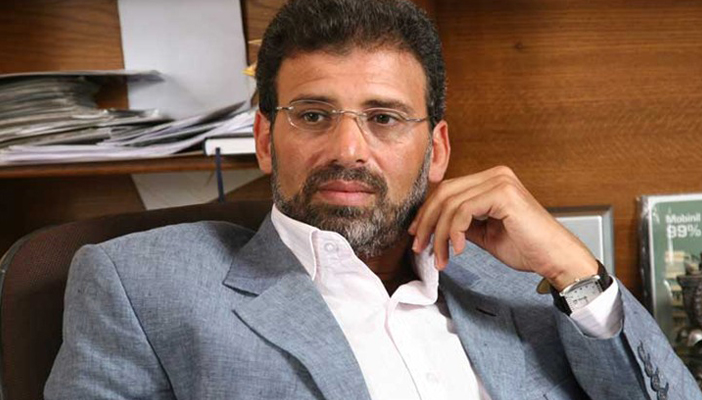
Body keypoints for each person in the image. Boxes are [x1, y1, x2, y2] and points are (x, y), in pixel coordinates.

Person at [45, 0, 699, 399]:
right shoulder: (140, 284)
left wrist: (574, 269)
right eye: (313, 115)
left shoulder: (521, 283)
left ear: (436, 150)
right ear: (266, 139)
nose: (348, 149)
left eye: (383, 118)